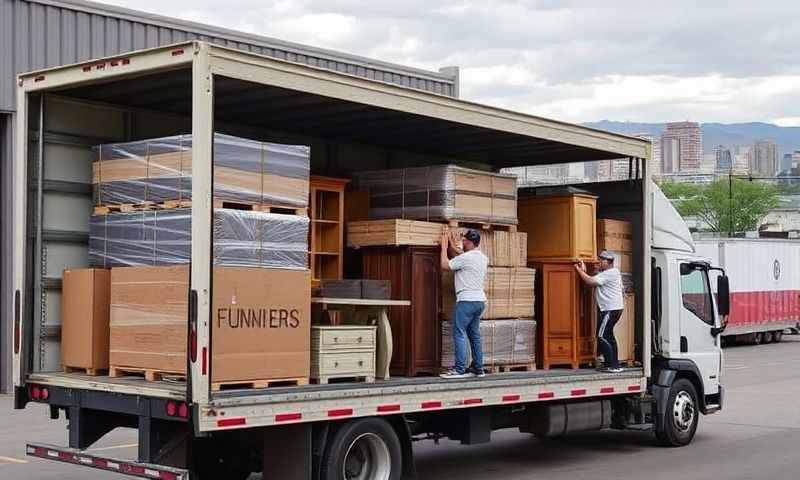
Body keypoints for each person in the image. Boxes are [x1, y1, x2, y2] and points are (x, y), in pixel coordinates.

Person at [439, 229, 489, 379]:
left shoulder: (466, 258)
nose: (462, 242)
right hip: (479, 301)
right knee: (474, 335)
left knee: (459, 333)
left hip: (466, 301)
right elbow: (462, 256)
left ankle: (459, 369)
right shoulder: (482, 258)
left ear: (469, 242)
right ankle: (478, 369)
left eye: (464, 240)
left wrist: (443, 246)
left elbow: (445, 265)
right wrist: (451, 246)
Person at [575, 250, 625, 373]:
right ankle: (614, 364)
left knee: (601, 336)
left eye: (601, 261)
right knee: (609, 336)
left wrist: (578, 269)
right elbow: (594, 277)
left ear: (608, 262)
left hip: (610, 309)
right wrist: (585, 270)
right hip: (613, 308)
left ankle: (612, 366)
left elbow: (590, 281)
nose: (599, 263)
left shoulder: (610, 273)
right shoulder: (612, 272)